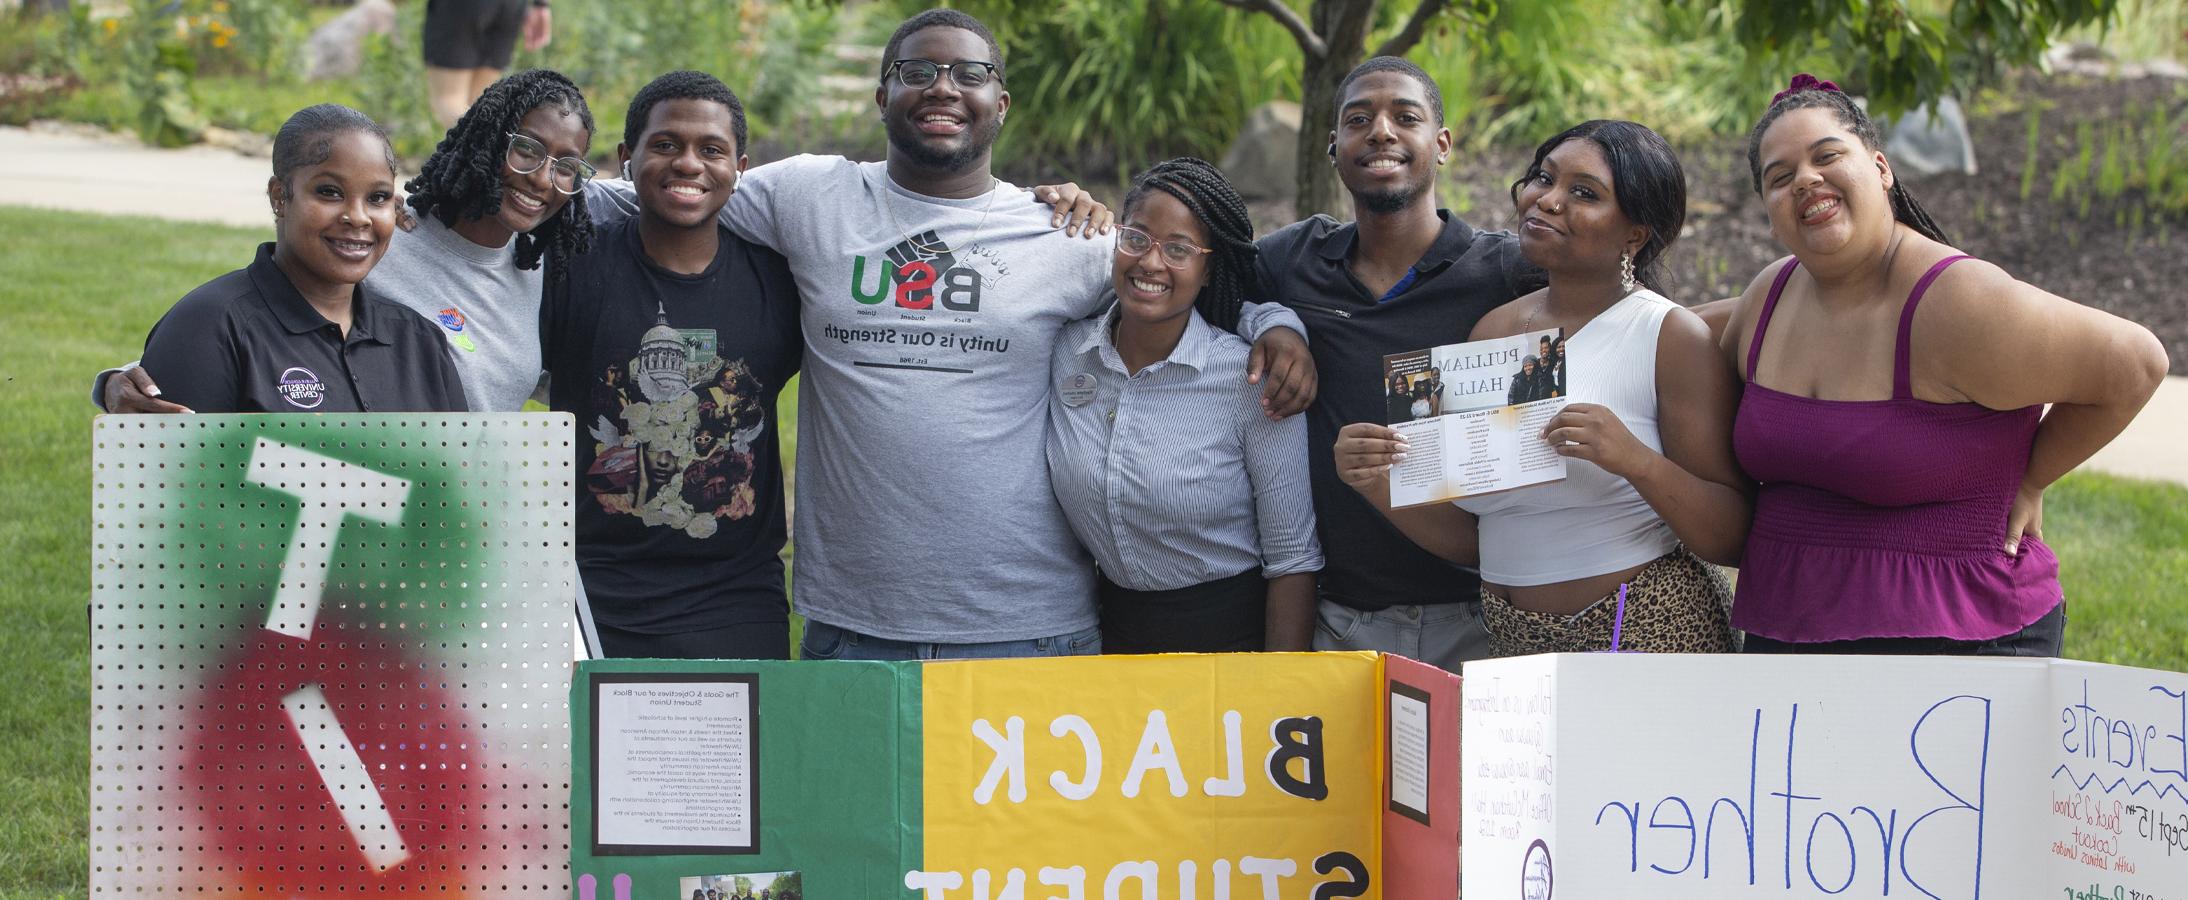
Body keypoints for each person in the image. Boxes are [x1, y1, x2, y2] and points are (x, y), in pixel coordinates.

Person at [581, 9, 1317, 661]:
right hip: (851, 628)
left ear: (1001, 102)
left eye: (969, 72)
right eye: (917, 71)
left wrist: (1274, 323)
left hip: (1027, 630)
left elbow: (1185, 282)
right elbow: (667, 187)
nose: (942, 86)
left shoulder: (1064, 236)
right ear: (881, 97)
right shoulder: (810, 196)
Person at [1721, 76, 2168, 656]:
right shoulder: (1767, 297)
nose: (1805, 178)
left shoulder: (1958, 303)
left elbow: (2136, 363)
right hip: (1786, 636)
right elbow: (1695, 333)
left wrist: (2032, 476)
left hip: (1957, 644)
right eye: (1779, 177)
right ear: (1768, 208)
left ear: (1881, 168)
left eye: (1827, 156)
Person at [1335, 119, 1748, 656]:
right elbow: (1479, 538)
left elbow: (1729, 535)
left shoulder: (1667, 335)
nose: (1547, 200)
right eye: (1541, 178)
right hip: (1516, 642)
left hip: (1644, 629)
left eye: (1584, 193)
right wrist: (1377, 484)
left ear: (1635, 234)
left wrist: (1634, 460)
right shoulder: (1495, 332)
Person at [1253, 56, 1541, 673]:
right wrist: (1274, 321)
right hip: (1338, 622)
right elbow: (1187, 275)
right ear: (1333, 147)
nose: (1381, 131)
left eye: (1404, 117)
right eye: (1359, 119)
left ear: (1441, 145)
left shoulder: (1508, 273)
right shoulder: (1293, 260)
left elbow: (1626, 313)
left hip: (1483, 616)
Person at [98, 70, 598, 415]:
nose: (542, 178)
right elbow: (253, 313)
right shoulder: (387, 234)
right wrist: (119, 381)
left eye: (566, 167)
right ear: (488, 140)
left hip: (468, 516)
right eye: (526, 151)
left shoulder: (544, 265)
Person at [540, 71, 803, 661]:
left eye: (710, 149)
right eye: (666, 145)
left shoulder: (782, 284)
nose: (688, 163)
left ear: (740, 165)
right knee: (581, 757)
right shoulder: (570, 266)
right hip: (584, 589)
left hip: (732, 598)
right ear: (627, 158)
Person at [1046, 157, 1323, 653]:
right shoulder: (1066, 349)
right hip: (1106, 640)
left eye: (1179, 249)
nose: (1151, 263)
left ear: (1209, 267)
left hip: (1233, 643)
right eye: (1137, 238)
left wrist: (1283, 692)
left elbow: (1293, 559)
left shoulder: (1251, 379)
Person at [136, 104, 466, 415]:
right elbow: (170, 469)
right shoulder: (208, 326)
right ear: (280, 196)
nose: (358, 217)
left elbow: (457, 471)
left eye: (377, 197)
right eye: (329, 192)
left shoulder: (420, 341)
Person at [425, 0, 552, 128]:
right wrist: (541, 5)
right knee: (479, 102)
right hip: (512, 6)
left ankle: (489, 143)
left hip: (461, 6)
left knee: (449, 100)